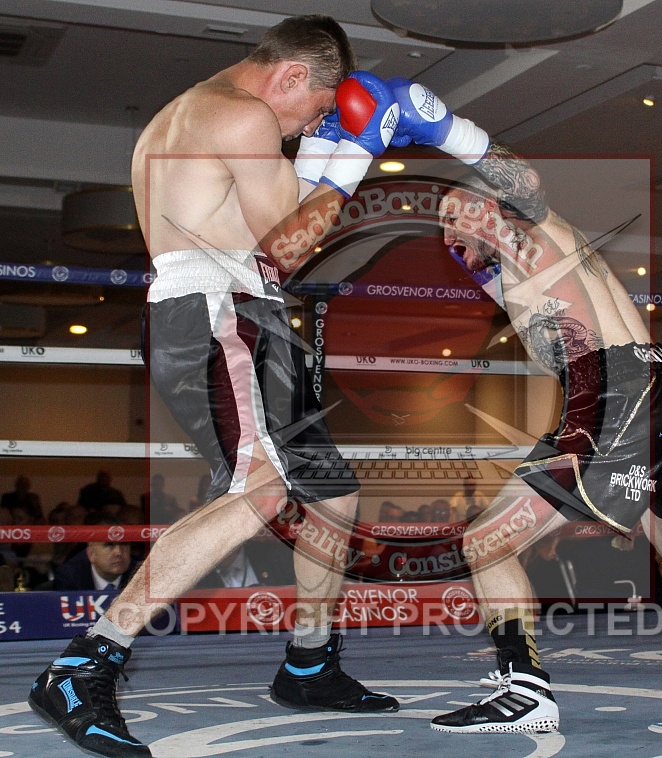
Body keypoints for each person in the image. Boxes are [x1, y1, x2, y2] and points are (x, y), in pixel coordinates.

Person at [29, 15, 401, 757]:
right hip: (219, 314)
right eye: (318, 108)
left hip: (228, 310)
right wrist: (354, 152)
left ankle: (309, 664)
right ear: (292, 75)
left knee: (331, 494)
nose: (313, 123)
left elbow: (265, 222)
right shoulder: (245, 115)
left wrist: (324, 150)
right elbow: (287, 247)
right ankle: (83, 664)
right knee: (259, 491)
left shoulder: (186, 113)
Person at [386, 78, 662, 733]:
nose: (448, 232)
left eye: (456, 216)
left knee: (485, 540)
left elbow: (522, 184)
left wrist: (447, 131)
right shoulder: (523, 262)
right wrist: (474, 257)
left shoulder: (530, 225)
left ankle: (526, 691)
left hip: (619, 394)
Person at [52, 538, 137, 592]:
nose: (118, 552)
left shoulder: (140, 573)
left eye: (124, 544)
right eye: (109, 545)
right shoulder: (70, 577)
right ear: (91, 554)